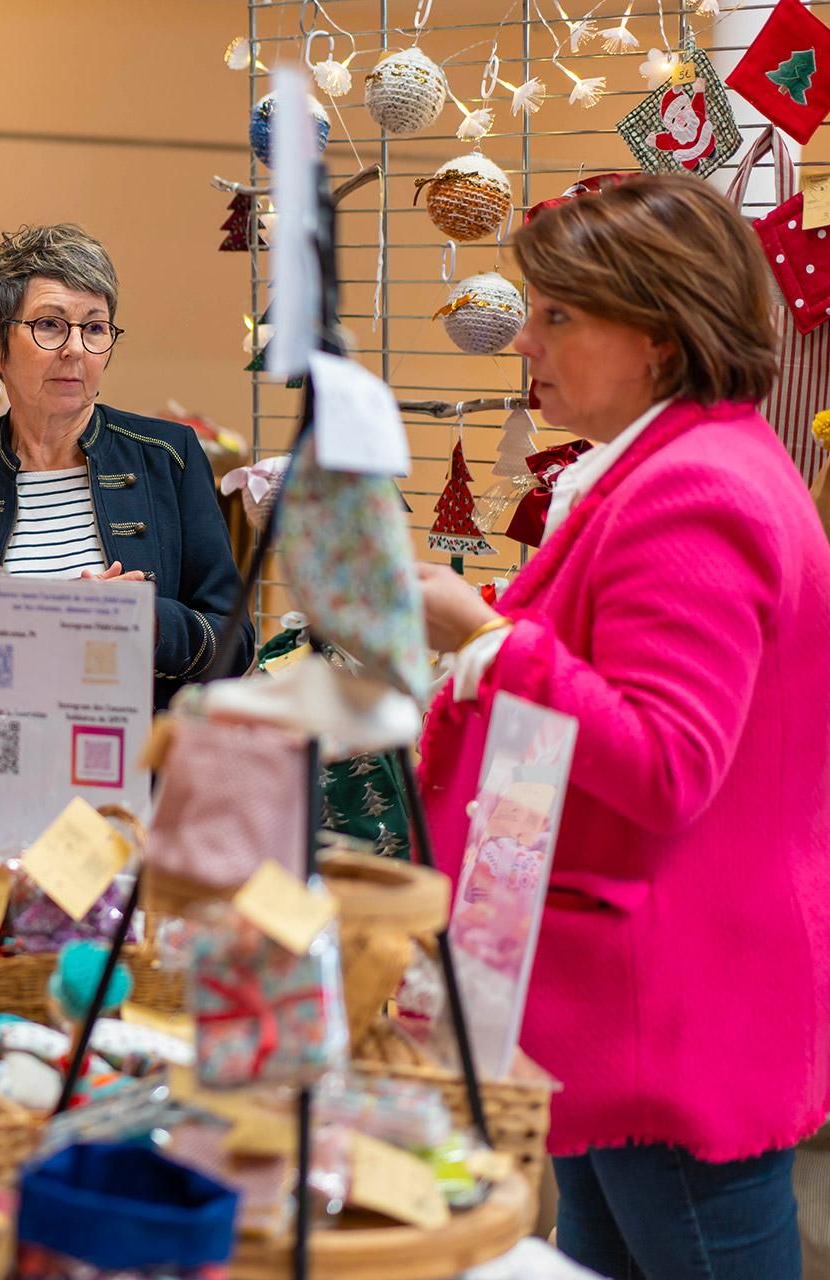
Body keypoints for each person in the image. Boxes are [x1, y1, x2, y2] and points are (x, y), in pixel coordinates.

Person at [416, 175, 830, 1279]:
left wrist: (487, 639)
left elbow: (663, 761)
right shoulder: (673, 461)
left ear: (655, 331)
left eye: (557, 316)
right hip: (628, 995)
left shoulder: (691, 489)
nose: (527, 346)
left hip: (669, 1005)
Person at [0, 223, 251, 748]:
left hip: (140, 778)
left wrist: (149, 623)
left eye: (95, 328)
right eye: (50, 326)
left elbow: (235, 642)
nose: (75, 349)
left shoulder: (169, 457)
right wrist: (46, 625)